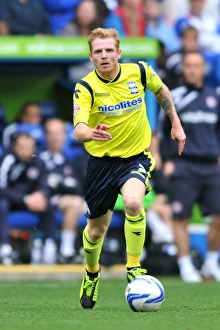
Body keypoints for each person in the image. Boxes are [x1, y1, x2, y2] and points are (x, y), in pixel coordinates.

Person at [73, 27, 186, 309]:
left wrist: (175, 123)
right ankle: (91, 273)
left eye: (109, 50)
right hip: (101, 163)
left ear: (118, 52)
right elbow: (78, 129)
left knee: (134, 202)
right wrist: (91, 134)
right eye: (98, 52)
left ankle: (133, 266)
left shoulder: (140, 71)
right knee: (96, 231)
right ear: (91, 56)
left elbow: (161, 91)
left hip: (135, 157)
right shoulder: (85, 87)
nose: (104, 55)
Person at [159, 51, 220, 283]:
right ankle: (185, 266)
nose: (193, 69)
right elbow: (163, 134)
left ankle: (212, 263)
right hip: (184, 166)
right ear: (183, 69)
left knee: (219, 216)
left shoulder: (215, 97)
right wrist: (168, 161)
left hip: (211, 167)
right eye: (189, 65)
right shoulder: (173, 97)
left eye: (197, 65)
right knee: (180, 218)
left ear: (204, 69)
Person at [0, 133, 57, 265]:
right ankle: (4, 248)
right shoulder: (6, 160)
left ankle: (50, 246)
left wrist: (40, 195)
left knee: (47, 203)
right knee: (1, 204)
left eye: (29, 147)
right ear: (14, 147)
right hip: (10, 200)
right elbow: (1, 189)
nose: (26, 151)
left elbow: (44, 185)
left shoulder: (38, 161)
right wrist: (25, 199)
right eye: (22, 147)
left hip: (31, 202)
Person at [39, 118, 87, 263]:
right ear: (45, 136)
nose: (55, 137)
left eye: (58, 133)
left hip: (70, 201)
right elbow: (43, 186)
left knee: (96, 206)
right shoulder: (40, 159)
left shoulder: (67, 160)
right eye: (51, 133)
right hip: (47, 201)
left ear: (64, 136)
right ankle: (66, 251)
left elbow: (76, 186)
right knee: (74, 202)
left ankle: (93, 251)